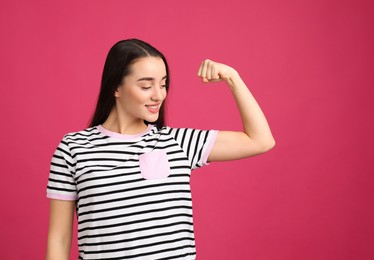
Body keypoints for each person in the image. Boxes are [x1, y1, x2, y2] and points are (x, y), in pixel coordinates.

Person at [46, 39, 275, 260]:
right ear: (116, 87)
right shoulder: (73, 149)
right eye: (146, 86)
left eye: (163, 84)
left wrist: (233, 78)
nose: (159, 95)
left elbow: (260, 140)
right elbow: (60, 239)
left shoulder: (178, 142)